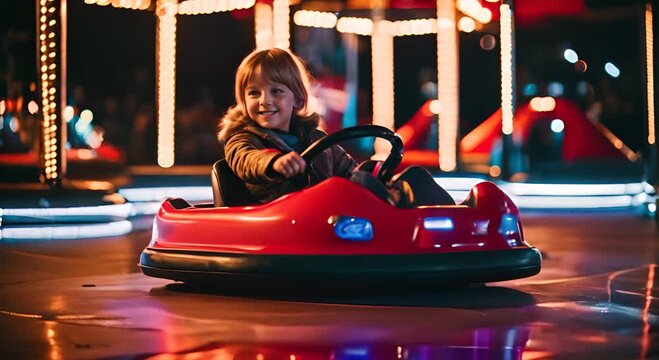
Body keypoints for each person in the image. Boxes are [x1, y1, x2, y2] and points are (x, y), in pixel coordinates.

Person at [218, 48, 357, 203]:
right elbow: (247, 159)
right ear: (243, 101)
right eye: (254, 93)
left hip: (321, 213)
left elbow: (349, 170)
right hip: (276, 220)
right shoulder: (242, 139)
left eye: (276, 91)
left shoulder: (318, 141)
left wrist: (372, 173)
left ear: (297, 100)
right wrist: (273, 162)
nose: (265, 100)